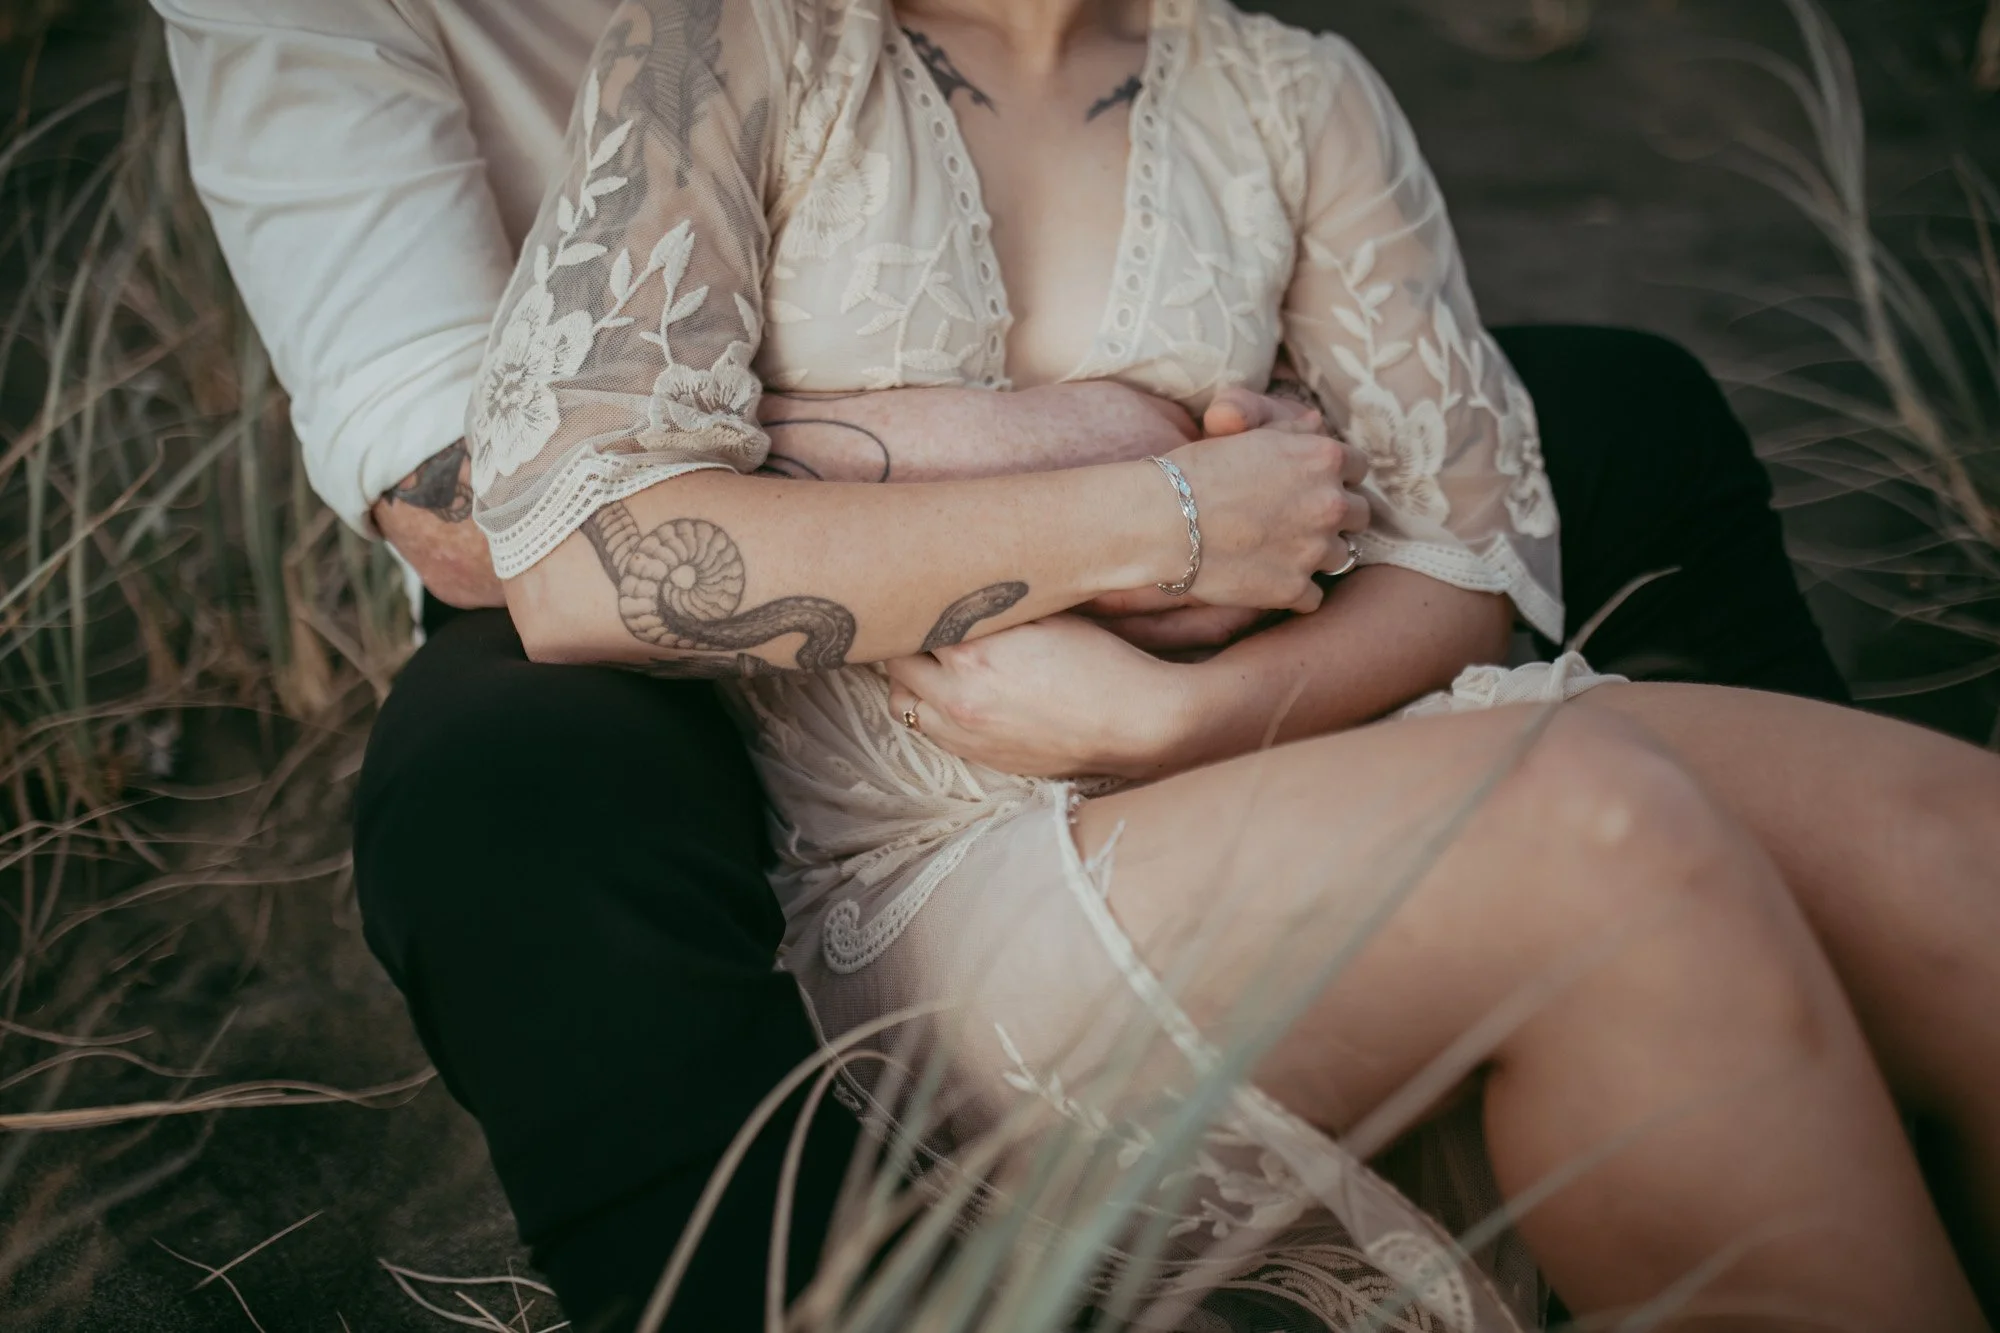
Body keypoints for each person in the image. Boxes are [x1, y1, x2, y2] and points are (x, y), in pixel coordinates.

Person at [151, 0, 1991, 1328]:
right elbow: (545, 550)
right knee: (1598, 826)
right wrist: (1152, 486)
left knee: (1948, 851)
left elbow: (1465, 552)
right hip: (915, 835)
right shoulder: (729, 47)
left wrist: (1181, 704)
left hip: (1278, 720)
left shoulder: (1286, 84)